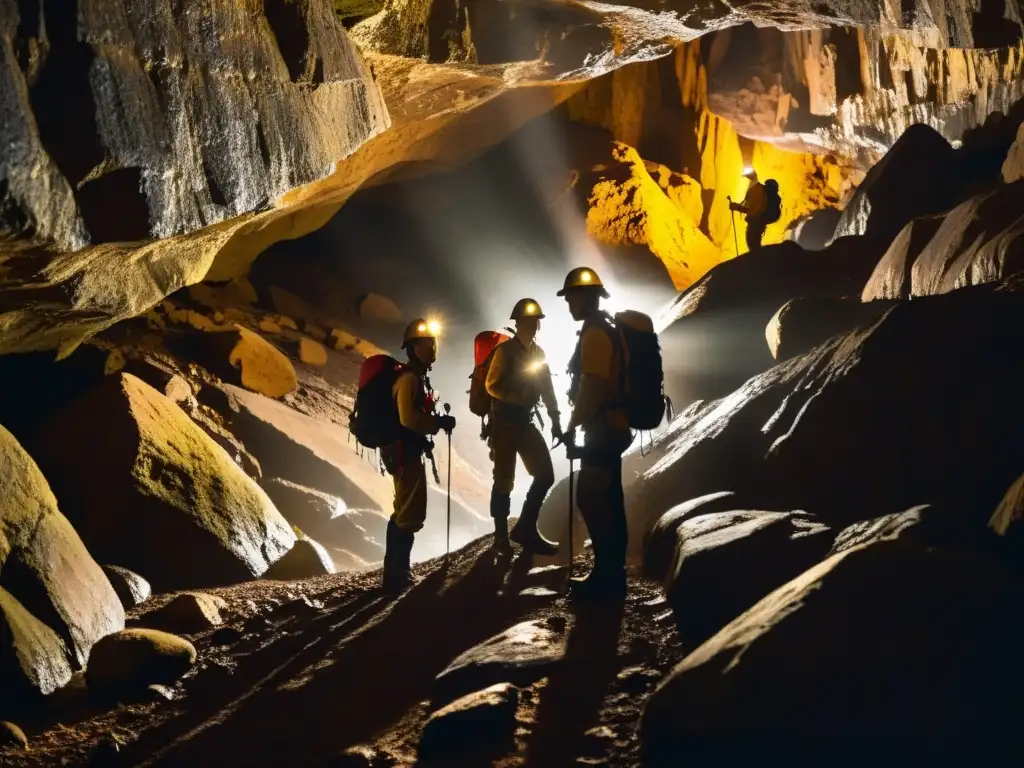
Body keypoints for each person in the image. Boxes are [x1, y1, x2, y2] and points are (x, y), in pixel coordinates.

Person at [557, 267, 633, 601]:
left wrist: (573, 425)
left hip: (602, 428)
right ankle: (612, 574)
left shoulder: (595, 334)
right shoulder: (605, 329)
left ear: (586, 298)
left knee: (593, 498)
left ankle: (606, 579)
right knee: (610, 500)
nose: (569, 303)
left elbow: (593, 385)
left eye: (572, 296)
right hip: (611, 426)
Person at [380, 318, 456, 591]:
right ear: (413, 348)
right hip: (404, 451)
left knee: (405, 510)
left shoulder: (416, 376)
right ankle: (397, 576)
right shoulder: (409, 378)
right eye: (426, 343)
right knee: (410, 514)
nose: (432, 347)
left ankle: (396, 573)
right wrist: (437, 424)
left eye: (433, 342)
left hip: (404, 450)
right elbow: (408, 418)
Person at [484, 298, 563, 555]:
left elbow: (547, 388)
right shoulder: (504, 352)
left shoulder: (538, 354)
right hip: (504, 425)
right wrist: (517, 398)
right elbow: (491, 385)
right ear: (517, 324)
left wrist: (555, 419)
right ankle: (500, 538)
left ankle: (525, 528)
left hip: (524, 422)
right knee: (504, 481)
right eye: (527, 321)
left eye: (535, 321)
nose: (532, 325)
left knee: (545, 475)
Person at [730, 168, 768, 252]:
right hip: (756, 222)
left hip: (756, 222)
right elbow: (747, 205)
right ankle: (756, 261)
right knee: (752, 244)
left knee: (753, 244)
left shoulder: (757, 190)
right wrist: (736, 206)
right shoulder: (753, 188)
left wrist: (737, 207)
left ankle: (757, 262)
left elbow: (752, 209)